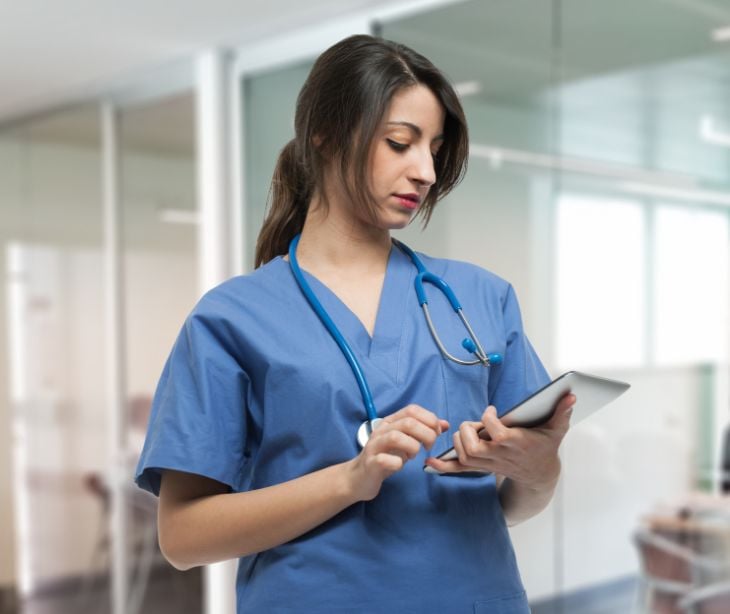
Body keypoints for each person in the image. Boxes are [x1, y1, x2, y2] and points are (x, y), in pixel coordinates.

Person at [135, 34, 574, 613]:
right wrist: (351, 480)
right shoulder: (231, 319)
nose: (424, 170)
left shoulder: (479, 296)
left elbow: (515, 502)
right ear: (325, 134)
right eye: (400, 143)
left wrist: (538, 468)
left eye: (434, 149)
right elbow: (184, 538)